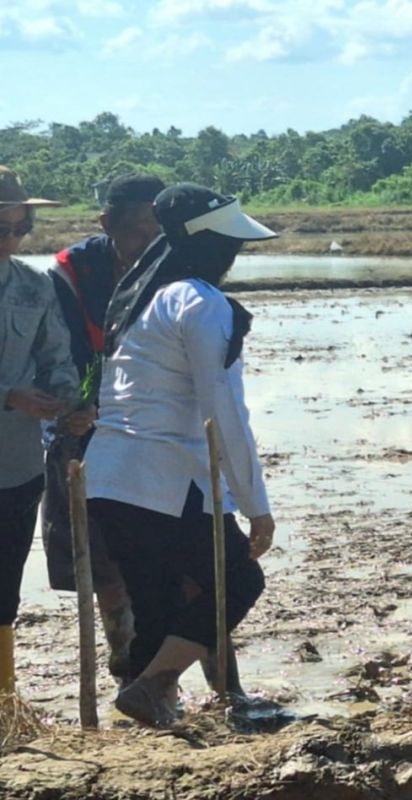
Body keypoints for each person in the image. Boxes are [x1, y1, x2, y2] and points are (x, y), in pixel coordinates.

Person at [86, 183, 276, 726]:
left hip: (109, 481)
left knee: (158, 607)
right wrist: (253, 502)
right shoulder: (200, 302)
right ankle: (154, 686)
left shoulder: (140, 296)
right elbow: (225, 413)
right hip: (163, 483)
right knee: (239, 581)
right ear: (211, 247)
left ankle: (150, 718)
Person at [41, 173, 164, 685]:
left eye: (156, 233)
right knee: (104, 564)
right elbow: (57, 355)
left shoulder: (172, 269)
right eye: (135, 232)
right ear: (106, 224)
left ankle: (176, 674)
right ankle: (127, 669)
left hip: (151, 432)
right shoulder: (71, 275)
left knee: (169, 561)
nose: (145, 245)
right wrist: (74, 406)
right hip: (82, 430)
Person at [0, 165, 87, 694]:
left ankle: (4, 701)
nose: (9, 241)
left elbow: (56, 359)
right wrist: (8, 395)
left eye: (17, 230)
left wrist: (69, 405)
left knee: (4, 585)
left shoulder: (33, 286)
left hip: (15, 465)